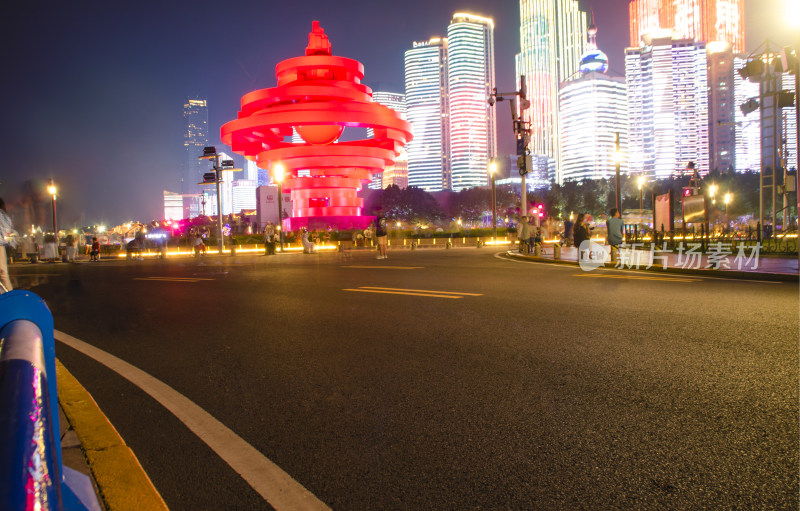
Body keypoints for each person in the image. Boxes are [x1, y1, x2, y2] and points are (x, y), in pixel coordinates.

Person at [0, 198, 16, 292]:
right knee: (3, 274)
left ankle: (8, 294)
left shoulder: (2, 216)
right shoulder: (3, 216)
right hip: (0, 245)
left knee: (3, 273)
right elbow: (7, 231)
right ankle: (9, 295)